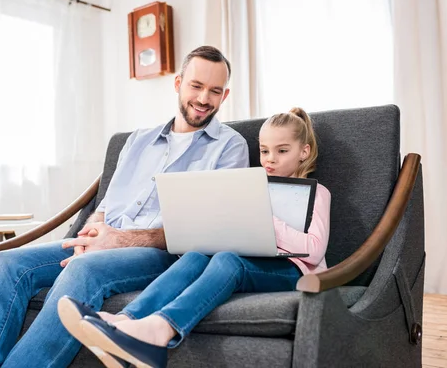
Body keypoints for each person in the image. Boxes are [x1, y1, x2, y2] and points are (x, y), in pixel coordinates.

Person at [0, 46, 249, 368]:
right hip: (104, 241)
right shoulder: (138, 140)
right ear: (178, 83)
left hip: (162, 252)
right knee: (6, 263)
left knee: (83, 269)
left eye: (214, 91)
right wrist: (91, 236)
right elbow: (105, 204)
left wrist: (120, 241)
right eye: (196, 86)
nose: (203, 99)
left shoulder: (230, 147)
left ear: (224, 96)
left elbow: (207, 231)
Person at [59, 107, 331, 368]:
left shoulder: (317, 193)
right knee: (195, 257)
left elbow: (314, 251)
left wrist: (266, 220)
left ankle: (158, 332)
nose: (271, 159)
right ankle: (125, 322)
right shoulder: (252, 188)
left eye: (282, 151)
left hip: (297, 272)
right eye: (264, 151)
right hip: (254, 260)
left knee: (227, 261)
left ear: (303, 152)